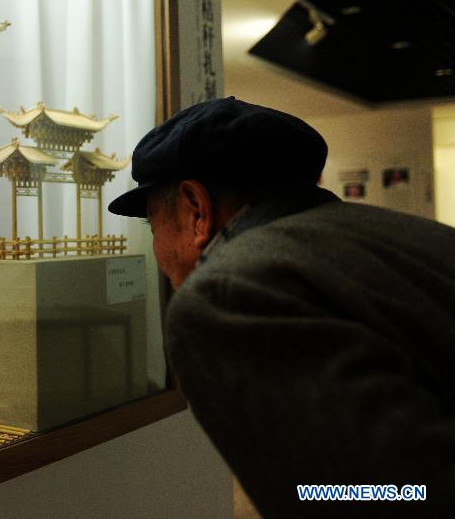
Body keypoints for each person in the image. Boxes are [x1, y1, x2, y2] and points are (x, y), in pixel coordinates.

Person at [108, 97, 455, 517]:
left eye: (152, 225)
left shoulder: (231, 294)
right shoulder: (411, 233)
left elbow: (385, 494)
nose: (157, 250)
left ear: (196, 209)